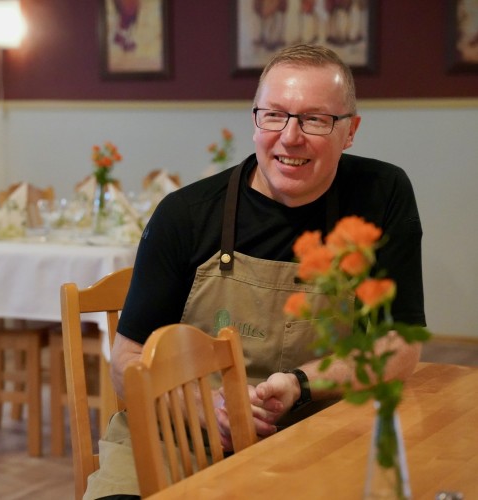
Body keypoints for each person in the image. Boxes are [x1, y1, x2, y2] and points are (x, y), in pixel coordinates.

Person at [84, 43, 426, 499]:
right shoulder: (186, 215)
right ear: (254, 121)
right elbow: (125, 364)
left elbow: (400, 346)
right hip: (182, 434)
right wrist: (211, 409)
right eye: (275, 115)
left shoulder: (381, 196)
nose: (290, 136)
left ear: (350, 131)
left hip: (314, 432)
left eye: (315, 119)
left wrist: (300, 384)